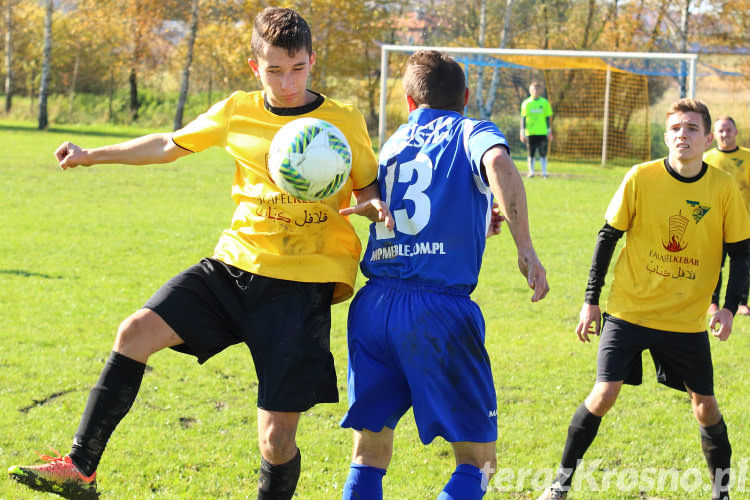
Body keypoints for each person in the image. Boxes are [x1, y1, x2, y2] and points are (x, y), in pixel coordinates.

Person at [7, 7, 392, 499]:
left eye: (297, 69)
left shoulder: (343, 121)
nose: (288, 82)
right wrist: (90, 155)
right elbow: (169, 144)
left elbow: (367, 187)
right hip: (233, 268)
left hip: (301, 286)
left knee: (276, 442)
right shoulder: (238, 110)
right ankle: (80, 467)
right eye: (274, 70)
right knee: (135, 331)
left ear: (312, 60)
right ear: (256, 67)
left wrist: (369, 203)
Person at [337, 50, 549, 500]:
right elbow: (498, 164)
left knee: (368, 454)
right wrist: (525, 248)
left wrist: (479, 217)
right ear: (467, 97)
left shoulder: (391, 144)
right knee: (478, 462)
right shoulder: (471, 129)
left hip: (374, 306)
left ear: (409, 101)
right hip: (436, 311)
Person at [537, 99, 750, 500]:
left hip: (685, 320)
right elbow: (607, 237)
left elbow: (741, 251)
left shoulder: (721, 187)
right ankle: (559, 485)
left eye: (691, 128)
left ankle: (721, 494)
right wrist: (590, 300)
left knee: (705, 405)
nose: (682, 135)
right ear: (665, 135)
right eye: (674, 129)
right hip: (629, 311)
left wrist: (729, 305)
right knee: (603, 395)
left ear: (707, 138)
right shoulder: (640, 177)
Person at [704, 116, 750, 316]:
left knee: (742, 262)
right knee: (714, 263)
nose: (725, 134)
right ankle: (712, 302)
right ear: (714, 134)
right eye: (721, 131)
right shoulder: (707, 158)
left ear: (736, 132)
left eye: (728, 130)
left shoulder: (747, 157)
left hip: (743, 220)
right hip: (715, 221)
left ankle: (741, 303)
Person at [520, 81, 553, 178]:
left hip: (542, 132)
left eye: (537, 89)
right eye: (533, 89)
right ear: (530, 90)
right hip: (530, 132)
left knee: (543, 152)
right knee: (531, 152)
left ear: (540, 91)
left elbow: (548, 118)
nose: (535, 91)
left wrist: (549, 130)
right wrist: (522, 131)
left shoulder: (545, 102)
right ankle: (531, 172)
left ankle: (544, 172)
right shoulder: (526, 103)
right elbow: (523, 118)